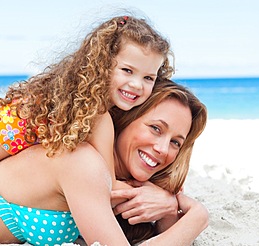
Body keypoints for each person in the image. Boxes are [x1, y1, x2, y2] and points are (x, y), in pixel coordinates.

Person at [0, 79, 209, 245]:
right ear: (126, 119)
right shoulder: (82, 161)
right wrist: (197, 217)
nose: (162, 149)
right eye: (155, 129)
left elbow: (166, 235)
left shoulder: (124, 185)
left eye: (175, 142)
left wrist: (169, 205)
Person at [0, 14, 173, 194]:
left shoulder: (71, 98)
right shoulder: (96, 114)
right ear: (102, 63)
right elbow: (108, 186)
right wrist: (160, 192)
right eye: (127, 70)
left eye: (148, 78)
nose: (137, 84)